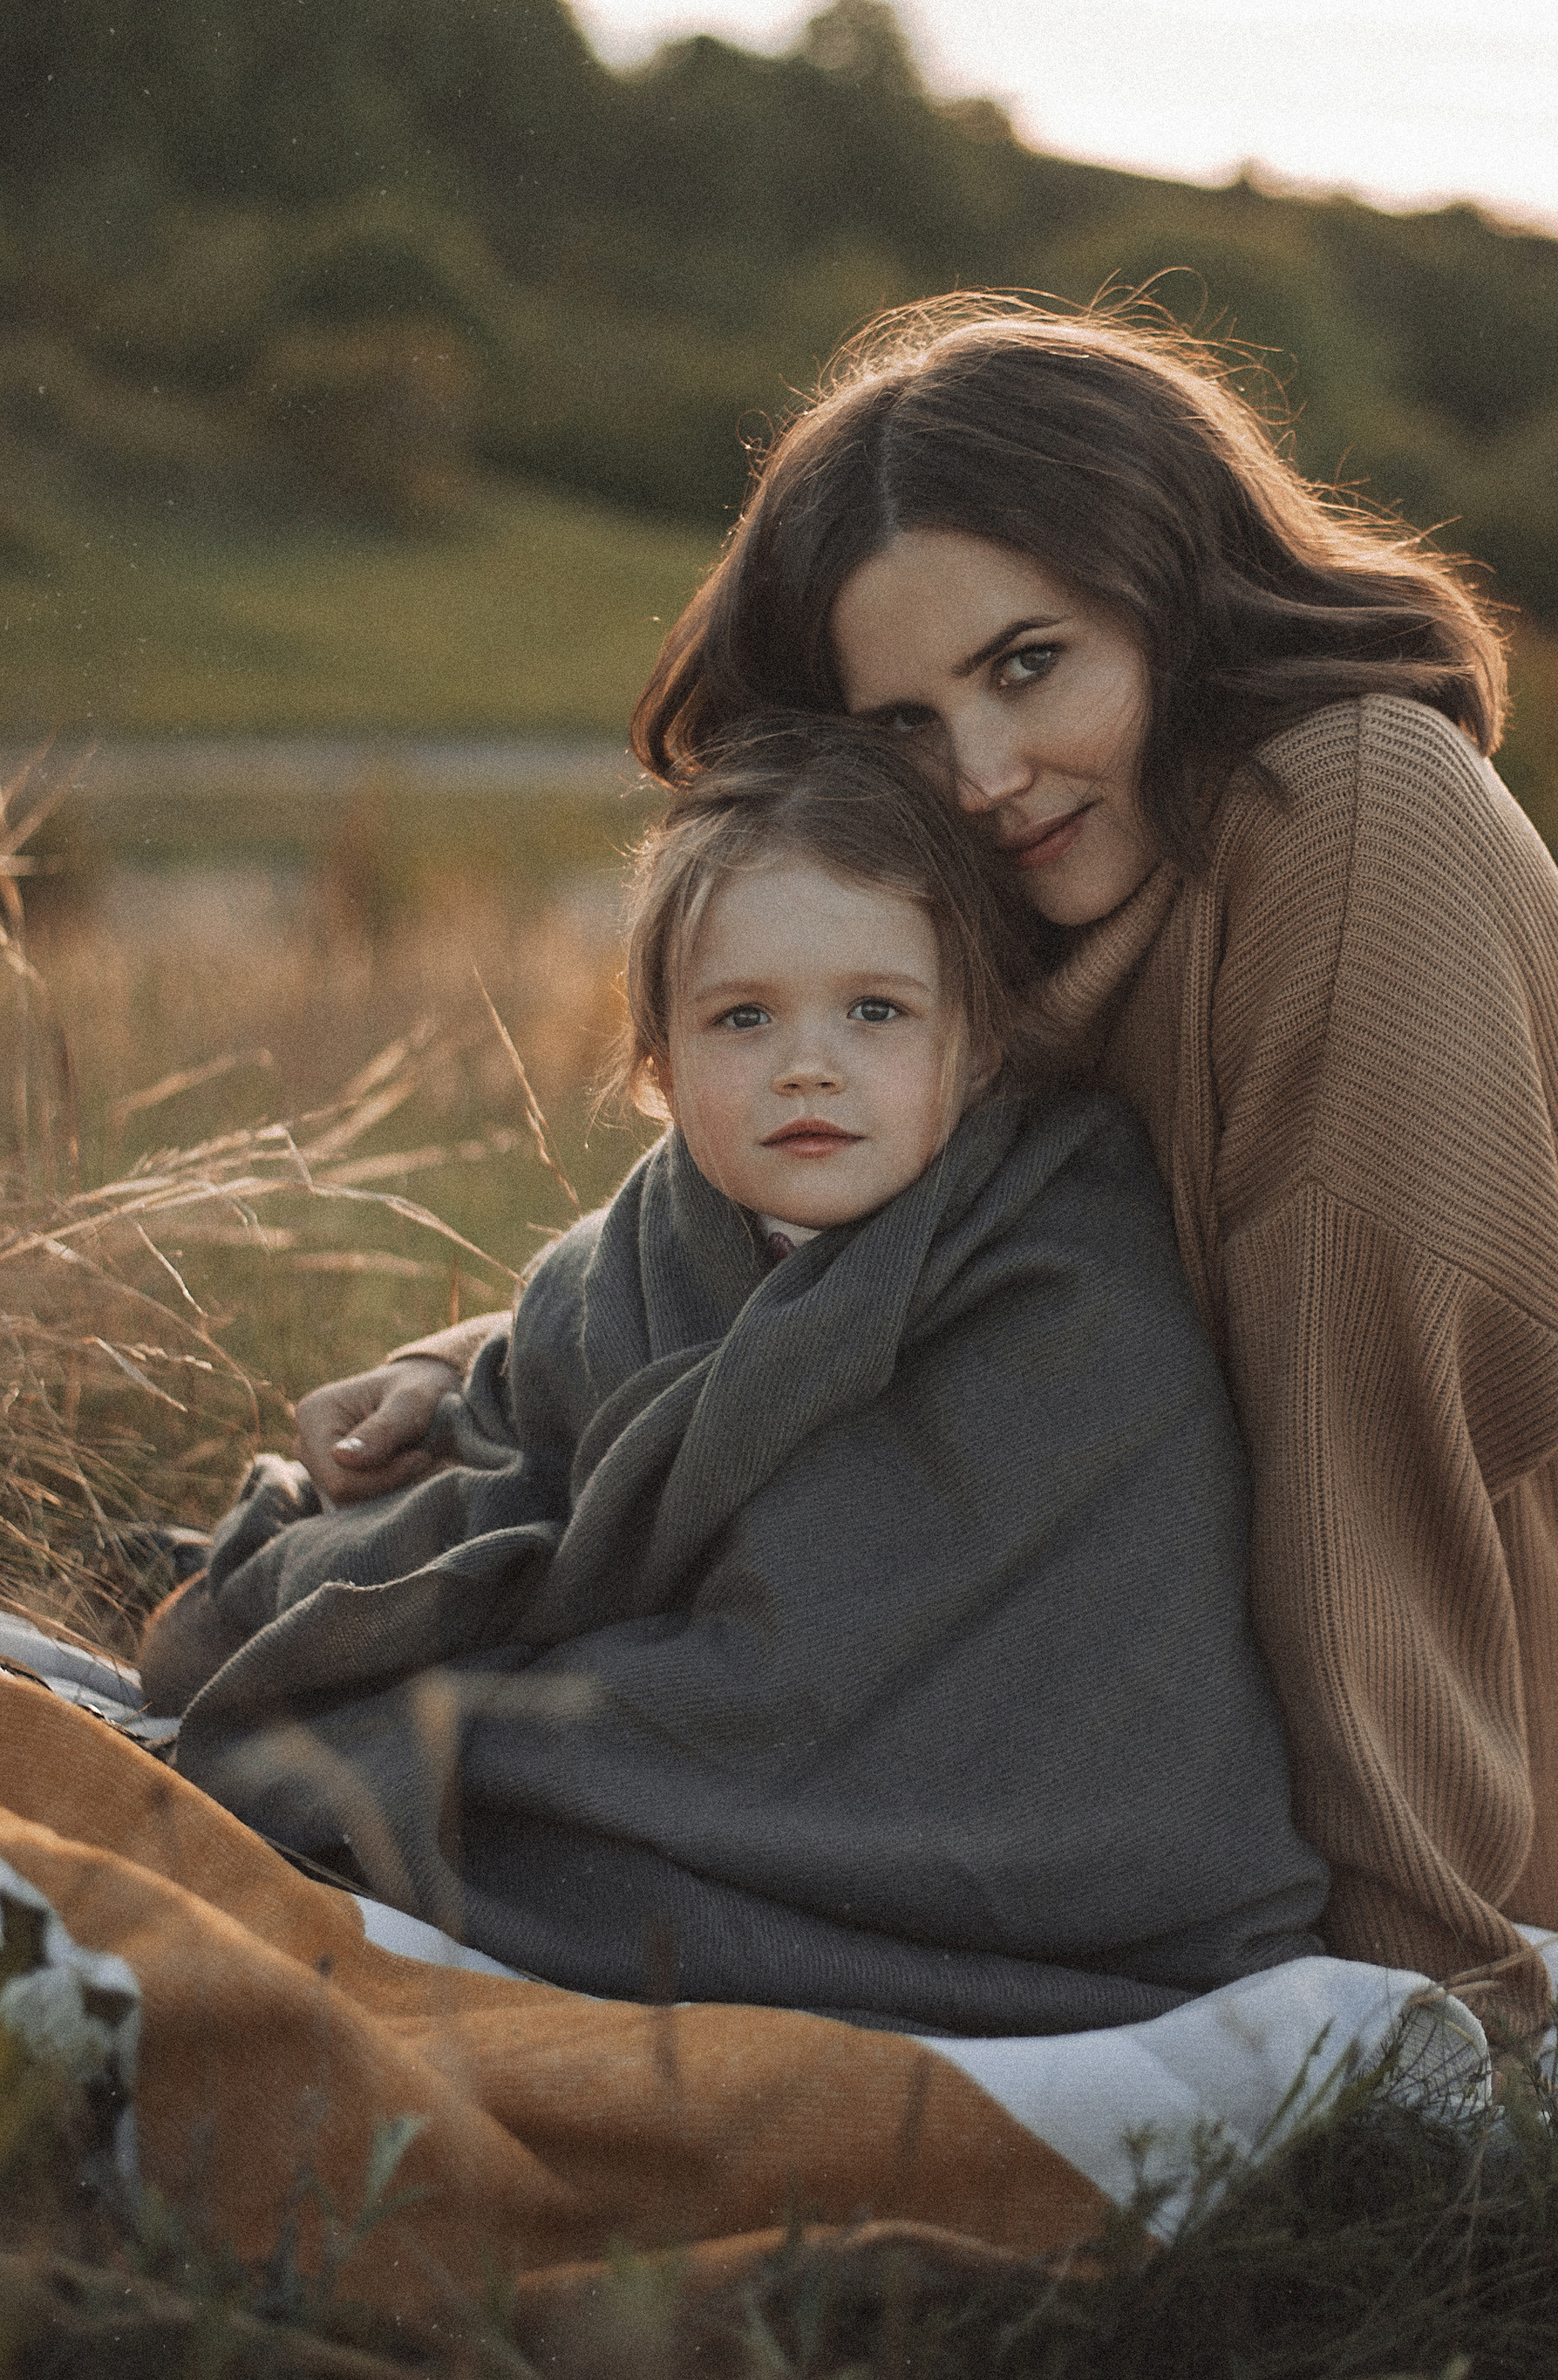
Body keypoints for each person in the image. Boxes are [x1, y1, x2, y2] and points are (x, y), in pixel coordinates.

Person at [299, 302, 1558, 2025]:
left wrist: (1403, 2001)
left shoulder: (1343, 819)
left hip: (1458, 1814)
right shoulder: (1065, 880)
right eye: (896, 724)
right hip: (1161, 1682)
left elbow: (1372, 1445)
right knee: (482, 1691)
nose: (976, 773)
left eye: (1026, 664)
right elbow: (869, 1205)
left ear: (1170, 592)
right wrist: (471, 1370)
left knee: (542, 1783)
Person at [143, 716, 1330, 2033]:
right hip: (700, 1717)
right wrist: (429, 1431)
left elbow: (990, 1626)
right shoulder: (645, 1250)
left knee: (425, 1762)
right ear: (660, 1065)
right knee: (302, 1647)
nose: (807, 1063)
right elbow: (537, 1443)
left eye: (875, 1011)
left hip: (976, 1806)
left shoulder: (1066, 1280)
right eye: (742, 1016)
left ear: (978, 1045)